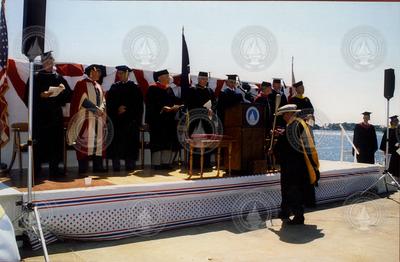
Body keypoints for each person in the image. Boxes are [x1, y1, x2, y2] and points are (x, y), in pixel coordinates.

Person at [23, 51, 72, 180]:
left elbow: (68, 96)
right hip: (40, 117)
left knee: (55, 144)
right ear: (42, 63)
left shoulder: (58, 78)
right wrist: (40, 96)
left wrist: (61, 91)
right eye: (47, 63)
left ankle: (54, 169)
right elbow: (27, 96)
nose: (49, 65)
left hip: (55, 116)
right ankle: (36, 169)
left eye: (51, 62)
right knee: (39, 143)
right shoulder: (35, 77)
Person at [273, 104, 320, 225]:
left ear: (289, 114)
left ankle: (298, 216)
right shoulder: (299, 123)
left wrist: (274, 147)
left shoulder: (294, 125)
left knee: (293, 190)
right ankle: (285, 211)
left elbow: (286, 142)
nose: (283, 117)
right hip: (297, 163)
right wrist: (281, 134)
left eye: (284, 115)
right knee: (289, 189)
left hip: (293, 165)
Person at [69, 64, 107, 174]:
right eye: (97, 71)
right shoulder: (81, 84)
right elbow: (82, 100)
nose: (99, 74)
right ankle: (83, 167)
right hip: (85, 119)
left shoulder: (99, 86)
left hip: (97, 119)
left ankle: (98, 165)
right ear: (91, 72)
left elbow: (103, 100)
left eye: (99, 72)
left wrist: (101, 109)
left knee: (98, 141)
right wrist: (95, 109)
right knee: (84, 141)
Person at [106, 65, 143, 172]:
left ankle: (130, 165)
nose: (120, 75)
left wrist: (127, 110)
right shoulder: (114, 87)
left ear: (127, 73)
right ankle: (116, 165)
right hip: (117, 122)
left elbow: (139, 106)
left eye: (122, 73)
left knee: (130, 144)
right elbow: (109, 103)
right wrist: (117, 109)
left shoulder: (135, 87)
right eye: (118, 73)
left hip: (130, 122)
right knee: (116, 144)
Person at [145, 69, 181, 170]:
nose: (169, 77)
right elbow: (150, 106)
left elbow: (174, 101)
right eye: (166, 75)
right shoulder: (152, 89)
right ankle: (156, 164)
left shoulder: (169, 89)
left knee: (168, 142)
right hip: (157, 121)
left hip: (169, 121)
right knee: (158, 143)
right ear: (160, 77)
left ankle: (166, 163)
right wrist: (162, 108)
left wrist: (177, 106)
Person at [184, 71, 217, 168]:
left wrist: (212, 109)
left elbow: (215, 103)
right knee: (195, 141)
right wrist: (203, 110)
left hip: (207, 121)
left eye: (206, 79)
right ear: (198, 79)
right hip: (196, 120)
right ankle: (194, 163)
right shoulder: (192, 90)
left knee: (207, 141)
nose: (204, 81)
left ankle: (206, 163)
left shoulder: (210, 91)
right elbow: (190, 104)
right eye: (202, 79)